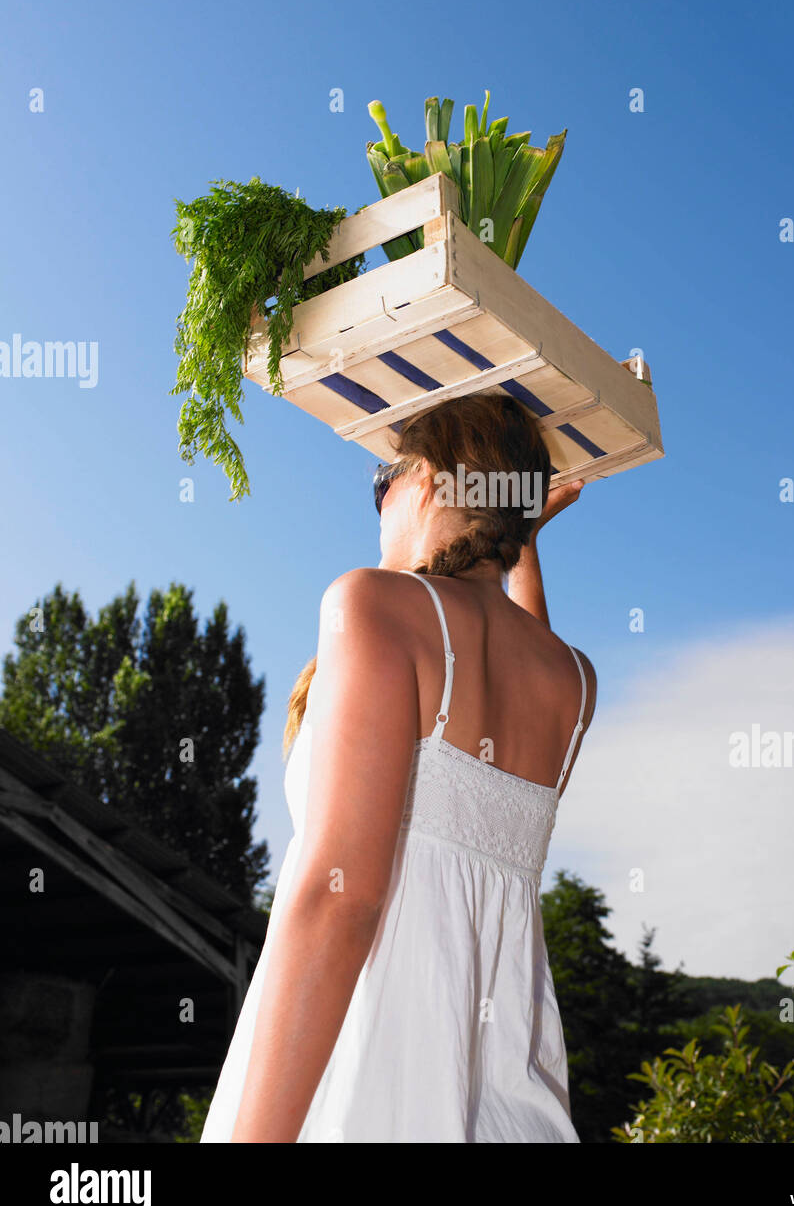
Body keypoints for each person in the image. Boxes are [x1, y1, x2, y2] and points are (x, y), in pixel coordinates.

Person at [200, 392, 597, 1143]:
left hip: (365, 1065)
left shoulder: (373, 604)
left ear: (421, 478)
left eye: (378, 482)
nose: (377, 502)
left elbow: (339, 899)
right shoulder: (574, 682)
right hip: (508, 1096)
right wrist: (522, 540)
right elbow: (513, 654)